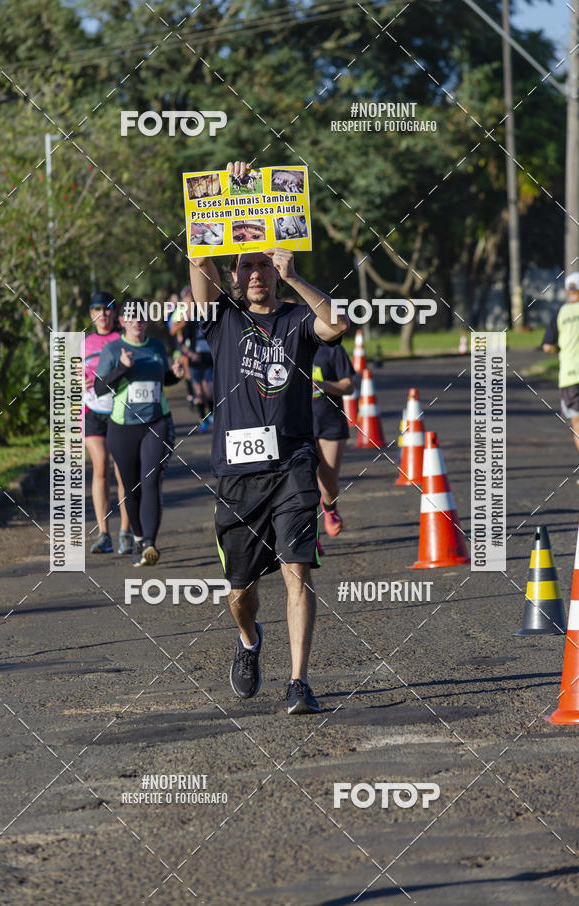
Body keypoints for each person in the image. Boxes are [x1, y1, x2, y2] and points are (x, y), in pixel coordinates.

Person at [189, 159, 348, 715]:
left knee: (297, 569)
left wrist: (295, 274)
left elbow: (336, 326)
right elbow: (199, 257)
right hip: (236, 474)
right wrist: (222, 192)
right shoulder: (222, 320)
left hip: (293, 466)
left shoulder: (297, 319)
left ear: (276, 269)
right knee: (239, 593)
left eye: (264, 265)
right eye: (247, 266)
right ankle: (250, 640)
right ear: (235, 274)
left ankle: (299, 682)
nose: (255, 273)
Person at [95, 298, 184, 566]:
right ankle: (136, 537)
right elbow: (99, 389)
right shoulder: (113, 350)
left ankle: (149, 543)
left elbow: (162, 379)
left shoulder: (156, 346)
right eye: (131, 317)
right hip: (122, 428)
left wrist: (176, 375)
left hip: (156, 422)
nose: (137, 321)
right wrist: (122, 367)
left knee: (151, 480)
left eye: (141, 316)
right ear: (122, 321)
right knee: (131, 488)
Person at [82, 291, 132, 555]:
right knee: (100, 465)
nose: (103, 314)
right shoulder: (84, 343)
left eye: (108, 309)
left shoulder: (123, 339)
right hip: (92, 412)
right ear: (91, 314)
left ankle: (125, 531)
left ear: (115, 313)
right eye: (98, 309)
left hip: (119, 412)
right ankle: (103, 534)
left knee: (121, 471)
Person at [312, 345, 355, 538]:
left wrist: (323, 385)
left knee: (328, 483)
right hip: (297, 425)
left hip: (329, 424)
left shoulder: (332, 349)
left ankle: (329, 509)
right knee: (302, 486)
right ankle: (310, 539)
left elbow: (349, 385)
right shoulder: (288, 344)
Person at [542, 272, 579, 466]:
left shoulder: (560, 312)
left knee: (577, 425)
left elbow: (547, 346)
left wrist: (560, 348)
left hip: (570, 376)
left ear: (567, 290)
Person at [175, 289, 214, 432]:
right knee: (199, 394)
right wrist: (191, 355)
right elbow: (182, 345)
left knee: (209, 392)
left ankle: (212, 414)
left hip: (208, 360)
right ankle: (202, 420)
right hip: (194, 362)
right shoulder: (188, 325)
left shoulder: (210, 321)